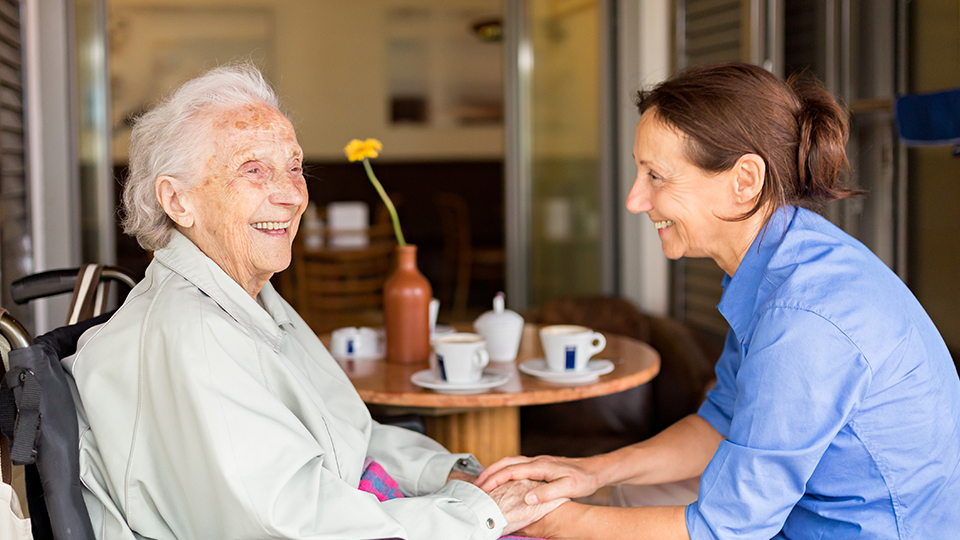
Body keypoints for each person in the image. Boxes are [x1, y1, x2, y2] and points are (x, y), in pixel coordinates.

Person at [63, 64, 560, 540]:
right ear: (177, 201)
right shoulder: (195, 334)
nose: (291, 194)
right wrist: (477, 516)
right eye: (254, 170)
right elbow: (293, 525)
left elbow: (350, 437)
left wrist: (450, 475)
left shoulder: (251, 300)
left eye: (295, 167)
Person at [477, 62, 960, 539]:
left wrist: (550, 520)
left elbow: (723, 530)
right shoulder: (778, 259)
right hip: (797, 519)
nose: (634, 199)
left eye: (656, 176)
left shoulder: (803, 319)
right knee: (606, 503)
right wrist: (594, 472)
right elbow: (722, 421)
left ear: (744, 181)